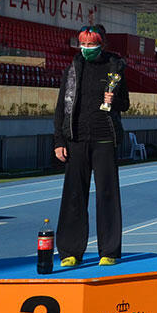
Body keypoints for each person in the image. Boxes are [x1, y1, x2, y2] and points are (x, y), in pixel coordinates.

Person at [53, 24, 129, 266]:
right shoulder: (72, 70)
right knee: (74, 196)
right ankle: (70, 252)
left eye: (91, 44)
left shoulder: (114, 68)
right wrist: (58, 140)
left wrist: (114, 100)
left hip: (105, 138)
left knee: (107, 195)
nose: (86, 49)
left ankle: (109, 251)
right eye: (83, 44)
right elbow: (60, 109)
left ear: (102, 44)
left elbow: (125, 103)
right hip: (76, 140)